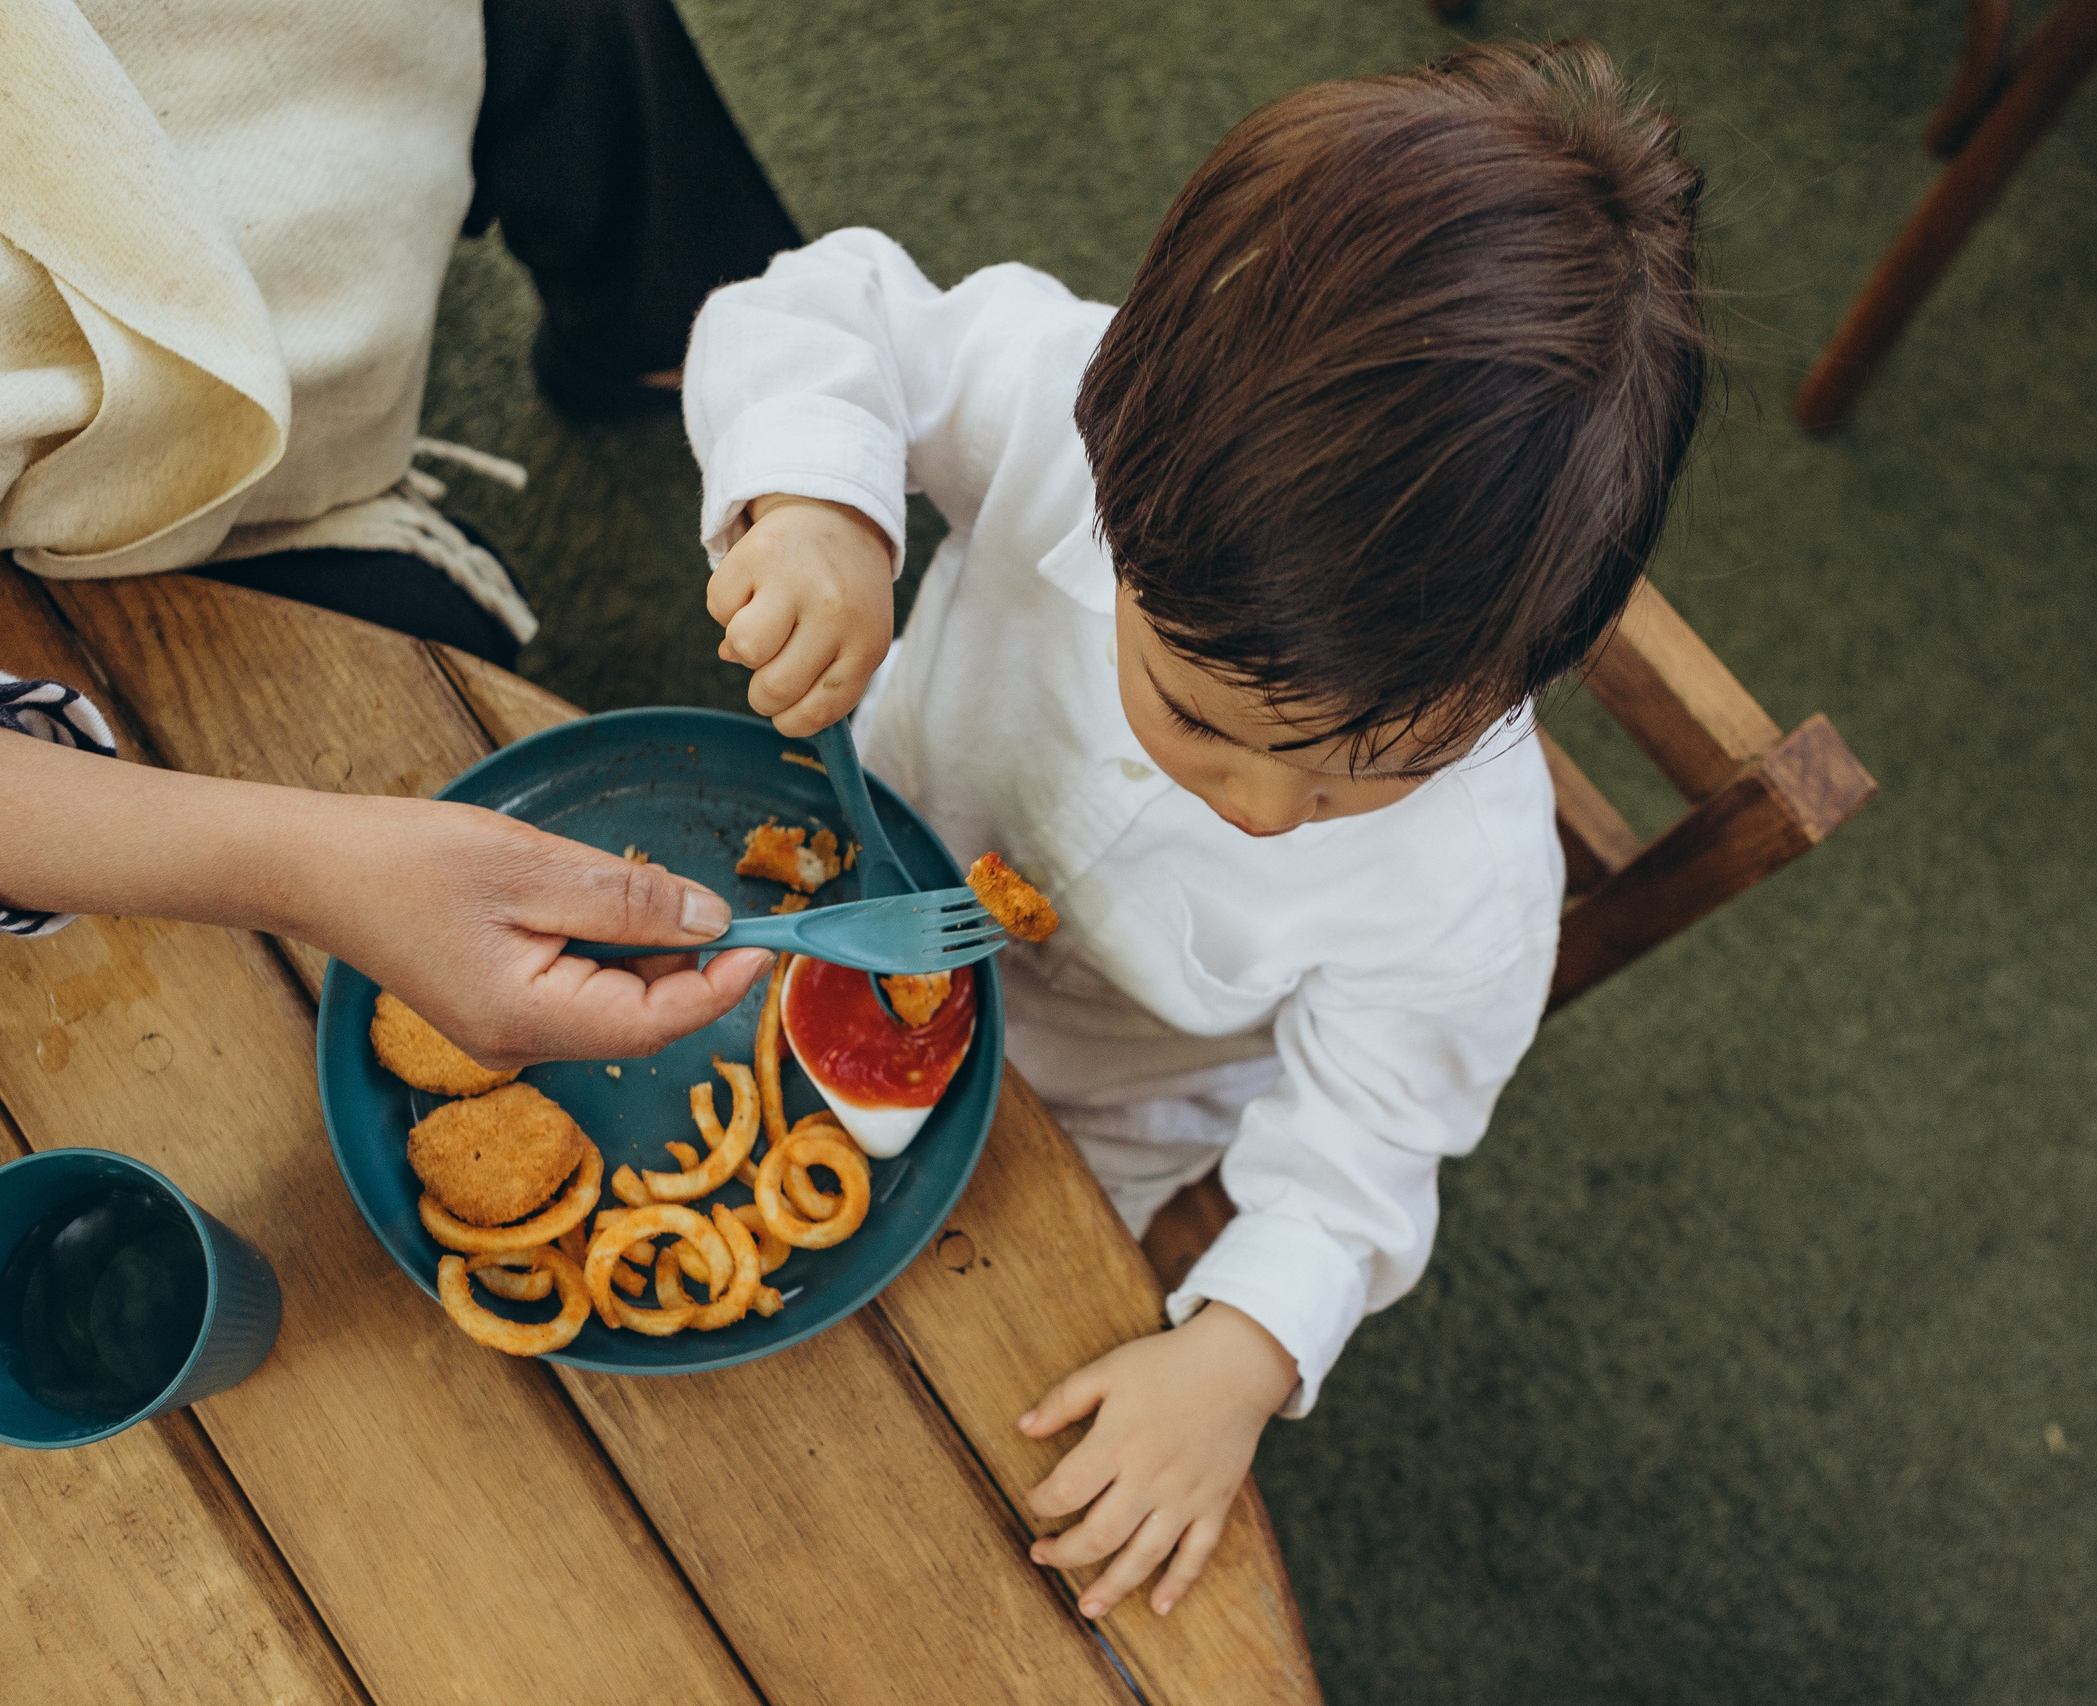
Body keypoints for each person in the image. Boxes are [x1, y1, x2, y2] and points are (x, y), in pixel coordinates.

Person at [684, 41, 1708, 1616]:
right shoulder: (1056, 400)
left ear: (1523, 672)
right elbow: (824, 317)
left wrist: (1238, 1354)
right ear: (1117, 456)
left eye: (1368, 771)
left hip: (1089, 1125)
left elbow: (1367, 1153)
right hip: (831, 862)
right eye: (1206, 719)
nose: (1266, 810)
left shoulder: (1475, 884)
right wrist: (819, 502)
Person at [0, 0, 803, 1063]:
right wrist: (318, 873)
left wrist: (800, 432)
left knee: (591, 68)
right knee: (409, 697)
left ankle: (680, 324)